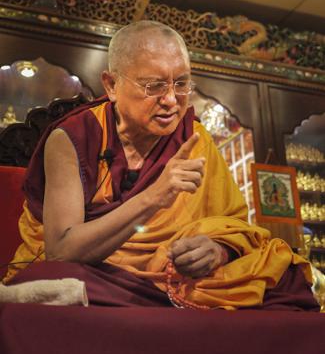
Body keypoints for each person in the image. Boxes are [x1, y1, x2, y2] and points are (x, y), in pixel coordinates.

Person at [4, 21, 319, 311]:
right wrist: (157, 194)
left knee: (287, 279)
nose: (171, 100)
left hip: (174, 276)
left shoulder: (194, 139)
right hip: (101, 274)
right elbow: (61, 251)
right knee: (58, 284)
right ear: (112, 85)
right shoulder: (73, 138)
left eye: (181, 83)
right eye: (154, 86)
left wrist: (217, 249)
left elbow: (232, 224)